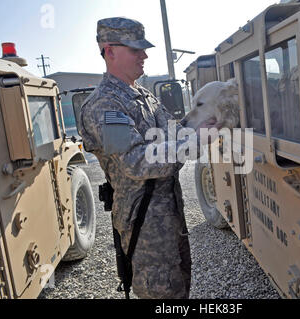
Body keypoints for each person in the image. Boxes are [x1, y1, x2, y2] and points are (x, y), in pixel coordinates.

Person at [78, 17, 216, 299]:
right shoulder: (106, 104)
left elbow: (175, 133)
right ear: (110, 51)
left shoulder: (143, 96)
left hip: (169, 217)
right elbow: (136, 161)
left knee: (180, 288)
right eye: (135, 49)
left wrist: (209, 122)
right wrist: (195, 141)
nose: (144, 55)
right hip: (145, 227)